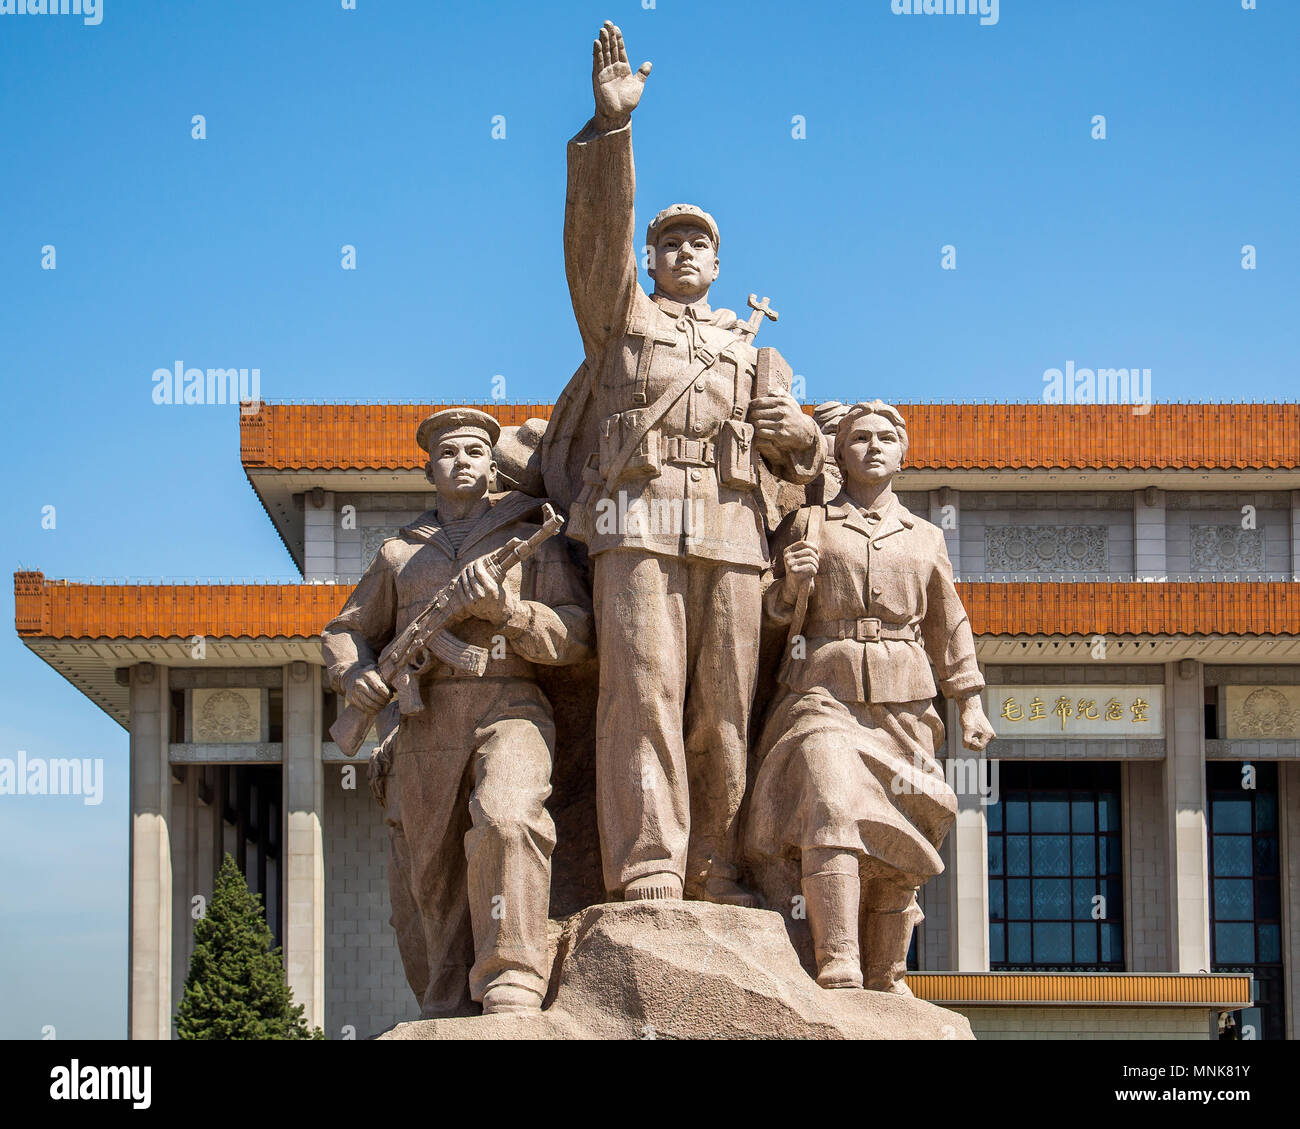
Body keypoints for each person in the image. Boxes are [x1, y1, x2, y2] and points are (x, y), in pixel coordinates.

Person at [549, 21, 824, 906]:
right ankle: (649, 865)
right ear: (651, 260)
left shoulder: (751, 346)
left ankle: (717, 861)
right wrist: (611, 130)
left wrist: (798, 434)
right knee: (641, 698)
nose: (682, 253)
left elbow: (808, 454)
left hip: (732, 527)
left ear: (717, 260)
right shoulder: (623, 317)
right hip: (638, 517)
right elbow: (596, 241)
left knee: (721, 710)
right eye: (668, 243)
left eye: (697, 243)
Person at [322, 408, 593, 1016]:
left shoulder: (526, 536)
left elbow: (577, 636)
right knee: (430, 868)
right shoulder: (398, 555)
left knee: (508, 814)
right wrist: (356, 672)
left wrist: (509, 615)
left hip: (511, 702)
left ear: (492, 463)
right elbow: (346, 630)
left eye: (474, 450)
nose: (462, 461)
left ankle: (513, 975)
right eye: (448, 453)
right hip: (424, 718)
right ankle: (445, 1003)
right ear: (429, 469)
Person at [745, 401, 996, 993]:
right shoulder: (809, 525)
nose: (873, 447)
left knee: (904, 827)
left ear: (904, 452)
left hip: (905, 700)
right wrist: (788, 587)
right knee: (830, 800)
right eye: (859, 438)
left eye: (886, 437)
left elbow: (948, 625)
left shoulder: (926, 537)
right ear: (839, 450)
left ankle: (888, 970)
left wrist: (970, 701)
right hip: (821, 692)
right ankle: (837, 959)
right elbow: (758, 617)